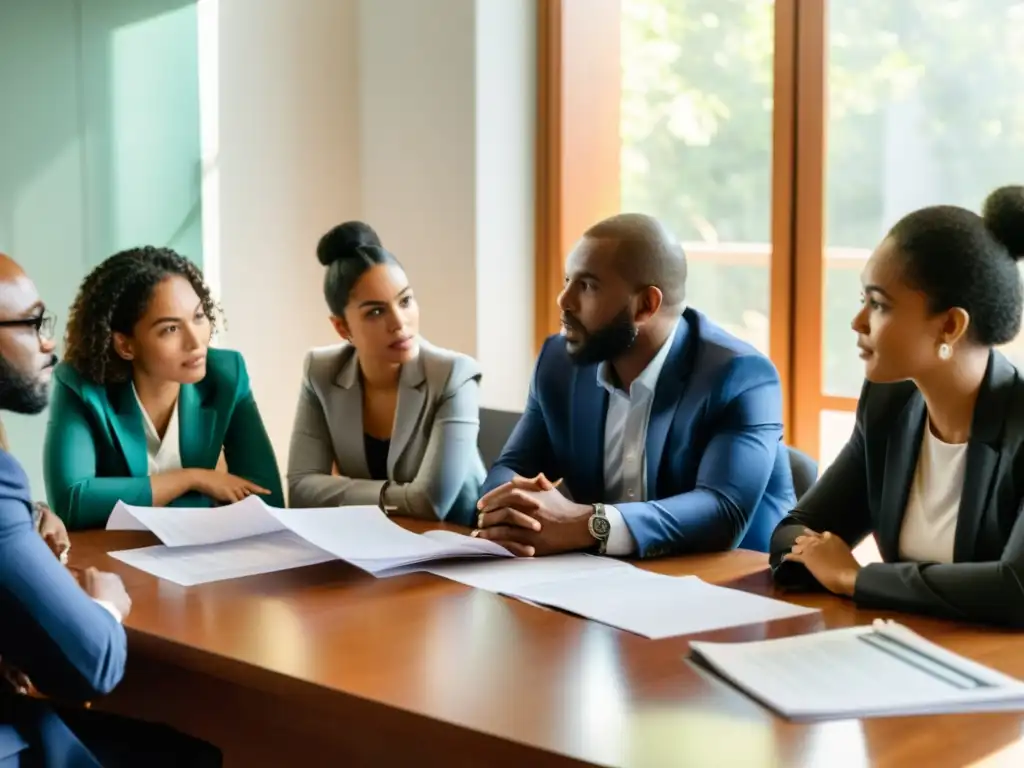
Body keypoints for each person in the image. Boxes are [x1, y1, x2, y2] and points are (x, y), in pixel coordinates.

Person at [0, 251, 221, 766]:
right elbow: (91, 663)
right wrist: (105, 604)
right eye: (32, 323)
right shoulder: (82, 385)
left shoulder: (224, 376)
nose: (47, 341)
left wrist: (25, 513)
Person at [770, 186, 1024, 627]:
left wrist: (857, 578)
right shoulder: (889, 405)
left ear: (950, 325)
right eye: (862, 300)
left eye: (879, 305)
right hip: (911, 651)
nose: (858, 322)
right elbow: (794, 530)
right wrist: (826, 561)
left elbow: (1015, 590)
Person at [473, 213, 796, 558]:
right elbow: (513, 468)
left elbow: (722, 511)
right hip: (603, 584)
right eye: (568, 280)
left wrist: (588, 523)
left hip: (735, 587)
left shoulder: (741, 376)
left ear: (646, 305)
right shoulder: (559, 362)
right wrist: (508, 510)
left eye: (588, 285)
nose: (563, 300)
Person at [44, 247, 284, 529]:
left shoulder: (227, 375)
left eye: (198, 316)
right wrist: (193, 478)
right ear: (125, 345)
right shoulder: (79, 384)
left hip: (197, 553)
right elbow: (72, 501)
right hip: (110, 557)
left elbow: (267, 499)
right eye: (170, 328)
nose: (196, 342)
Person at [287, 222, 485, 524]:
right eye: (375, 312)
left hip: (458, 547)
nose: (399, 323)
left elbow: (431, 504)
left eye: (405, 301)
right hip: (378, 545)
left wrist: (342, 492)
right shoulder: (322, 372)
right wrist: (392, 497)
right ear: (342, 327)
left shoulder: (454, 375)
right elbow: (300, 489)